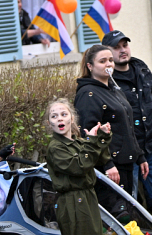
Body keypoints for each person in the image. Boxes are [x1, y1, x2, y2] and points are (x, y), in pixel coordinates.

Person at [103, 30, 152, 235]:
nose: (122, 50)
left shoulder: (141, 68)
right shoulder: (107, 79)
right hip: (125, 156)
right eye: (116, 47)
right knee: (128, 206)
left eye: (124, 45)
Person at [74, 44, 147, 220]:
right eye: (102, 61)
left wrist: (140, 156)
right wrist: (107, 164)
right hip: (110, 168)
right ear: (90, 66)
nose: (109, 64)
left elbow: (128, 126)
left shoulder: (114, 90)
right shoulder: (88, 94)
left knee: (130, 218)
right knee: (118, 219)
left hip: (127, 165)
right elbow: (88, 134)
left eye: (111, 60)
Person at [44, 98, 112, 235]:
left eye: (64, 114)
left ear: (72, 118)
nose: (59, 119)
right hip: (73, 201)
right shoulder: (55, 148)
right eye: (54, 116)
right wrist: (91, 142)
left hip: (88, 197)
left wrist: (101, 137)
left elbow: (101, 159)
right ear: (49, 124)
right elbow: (80, 166)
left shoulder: (78, 142)